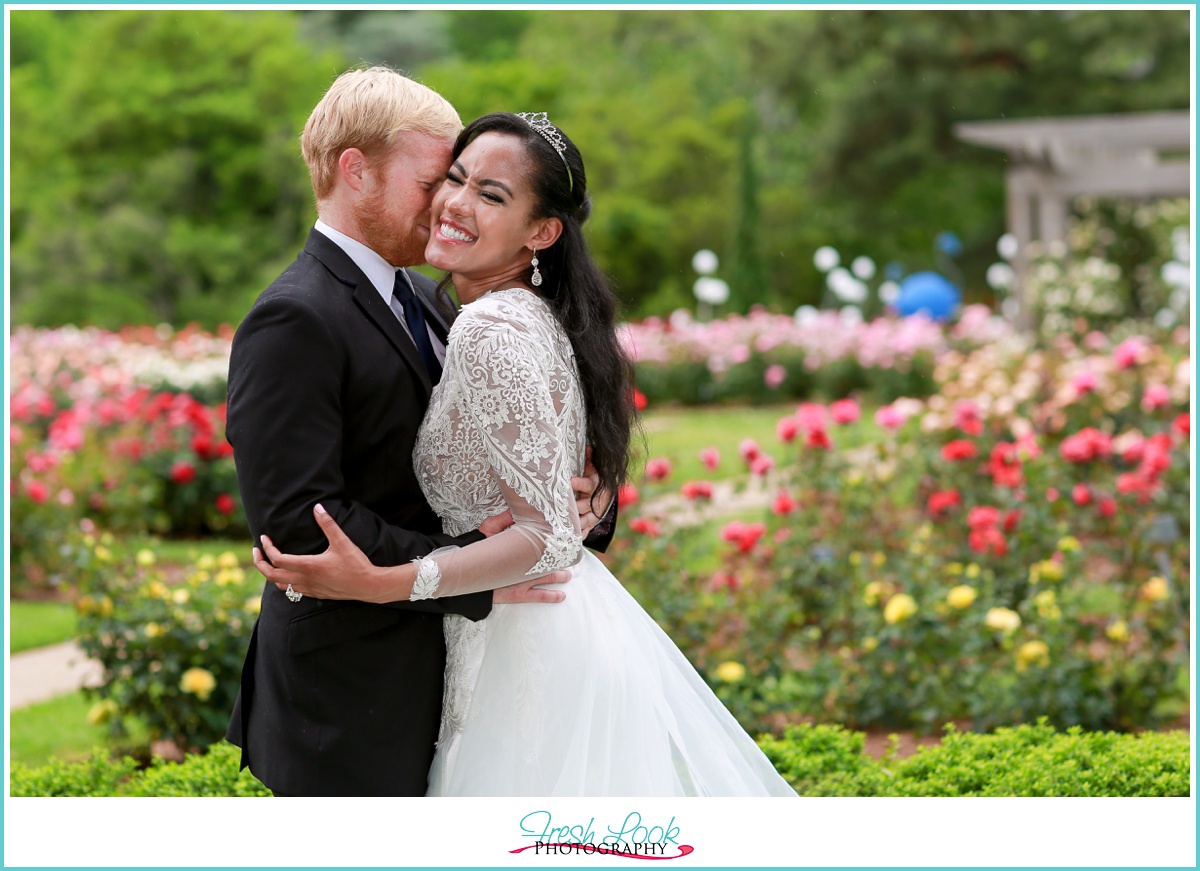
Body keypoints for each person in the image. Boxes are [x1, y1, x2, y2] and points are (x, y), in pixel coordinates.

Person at [256, 111, 797, 797]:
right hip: (535, 626)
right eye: (454, 178)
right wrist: (586, 496)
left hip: (525, 644)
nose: (455, 202)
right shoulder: (517, 309)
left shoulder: (482, 322)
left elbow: (547, 536)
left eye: (492, 194)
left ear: (542, 232)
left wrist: (384, 581)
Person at [225, 69, 613, 798]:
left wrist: (584, 499)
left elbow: (515, 445)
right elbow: (302, 528)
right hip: (347, 695)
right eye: (437, 178)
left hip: (443, 681)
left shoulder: (435, 300)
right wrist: (475, 571)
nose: (448, 203)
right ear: (355, 170)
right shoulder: (294, 318)